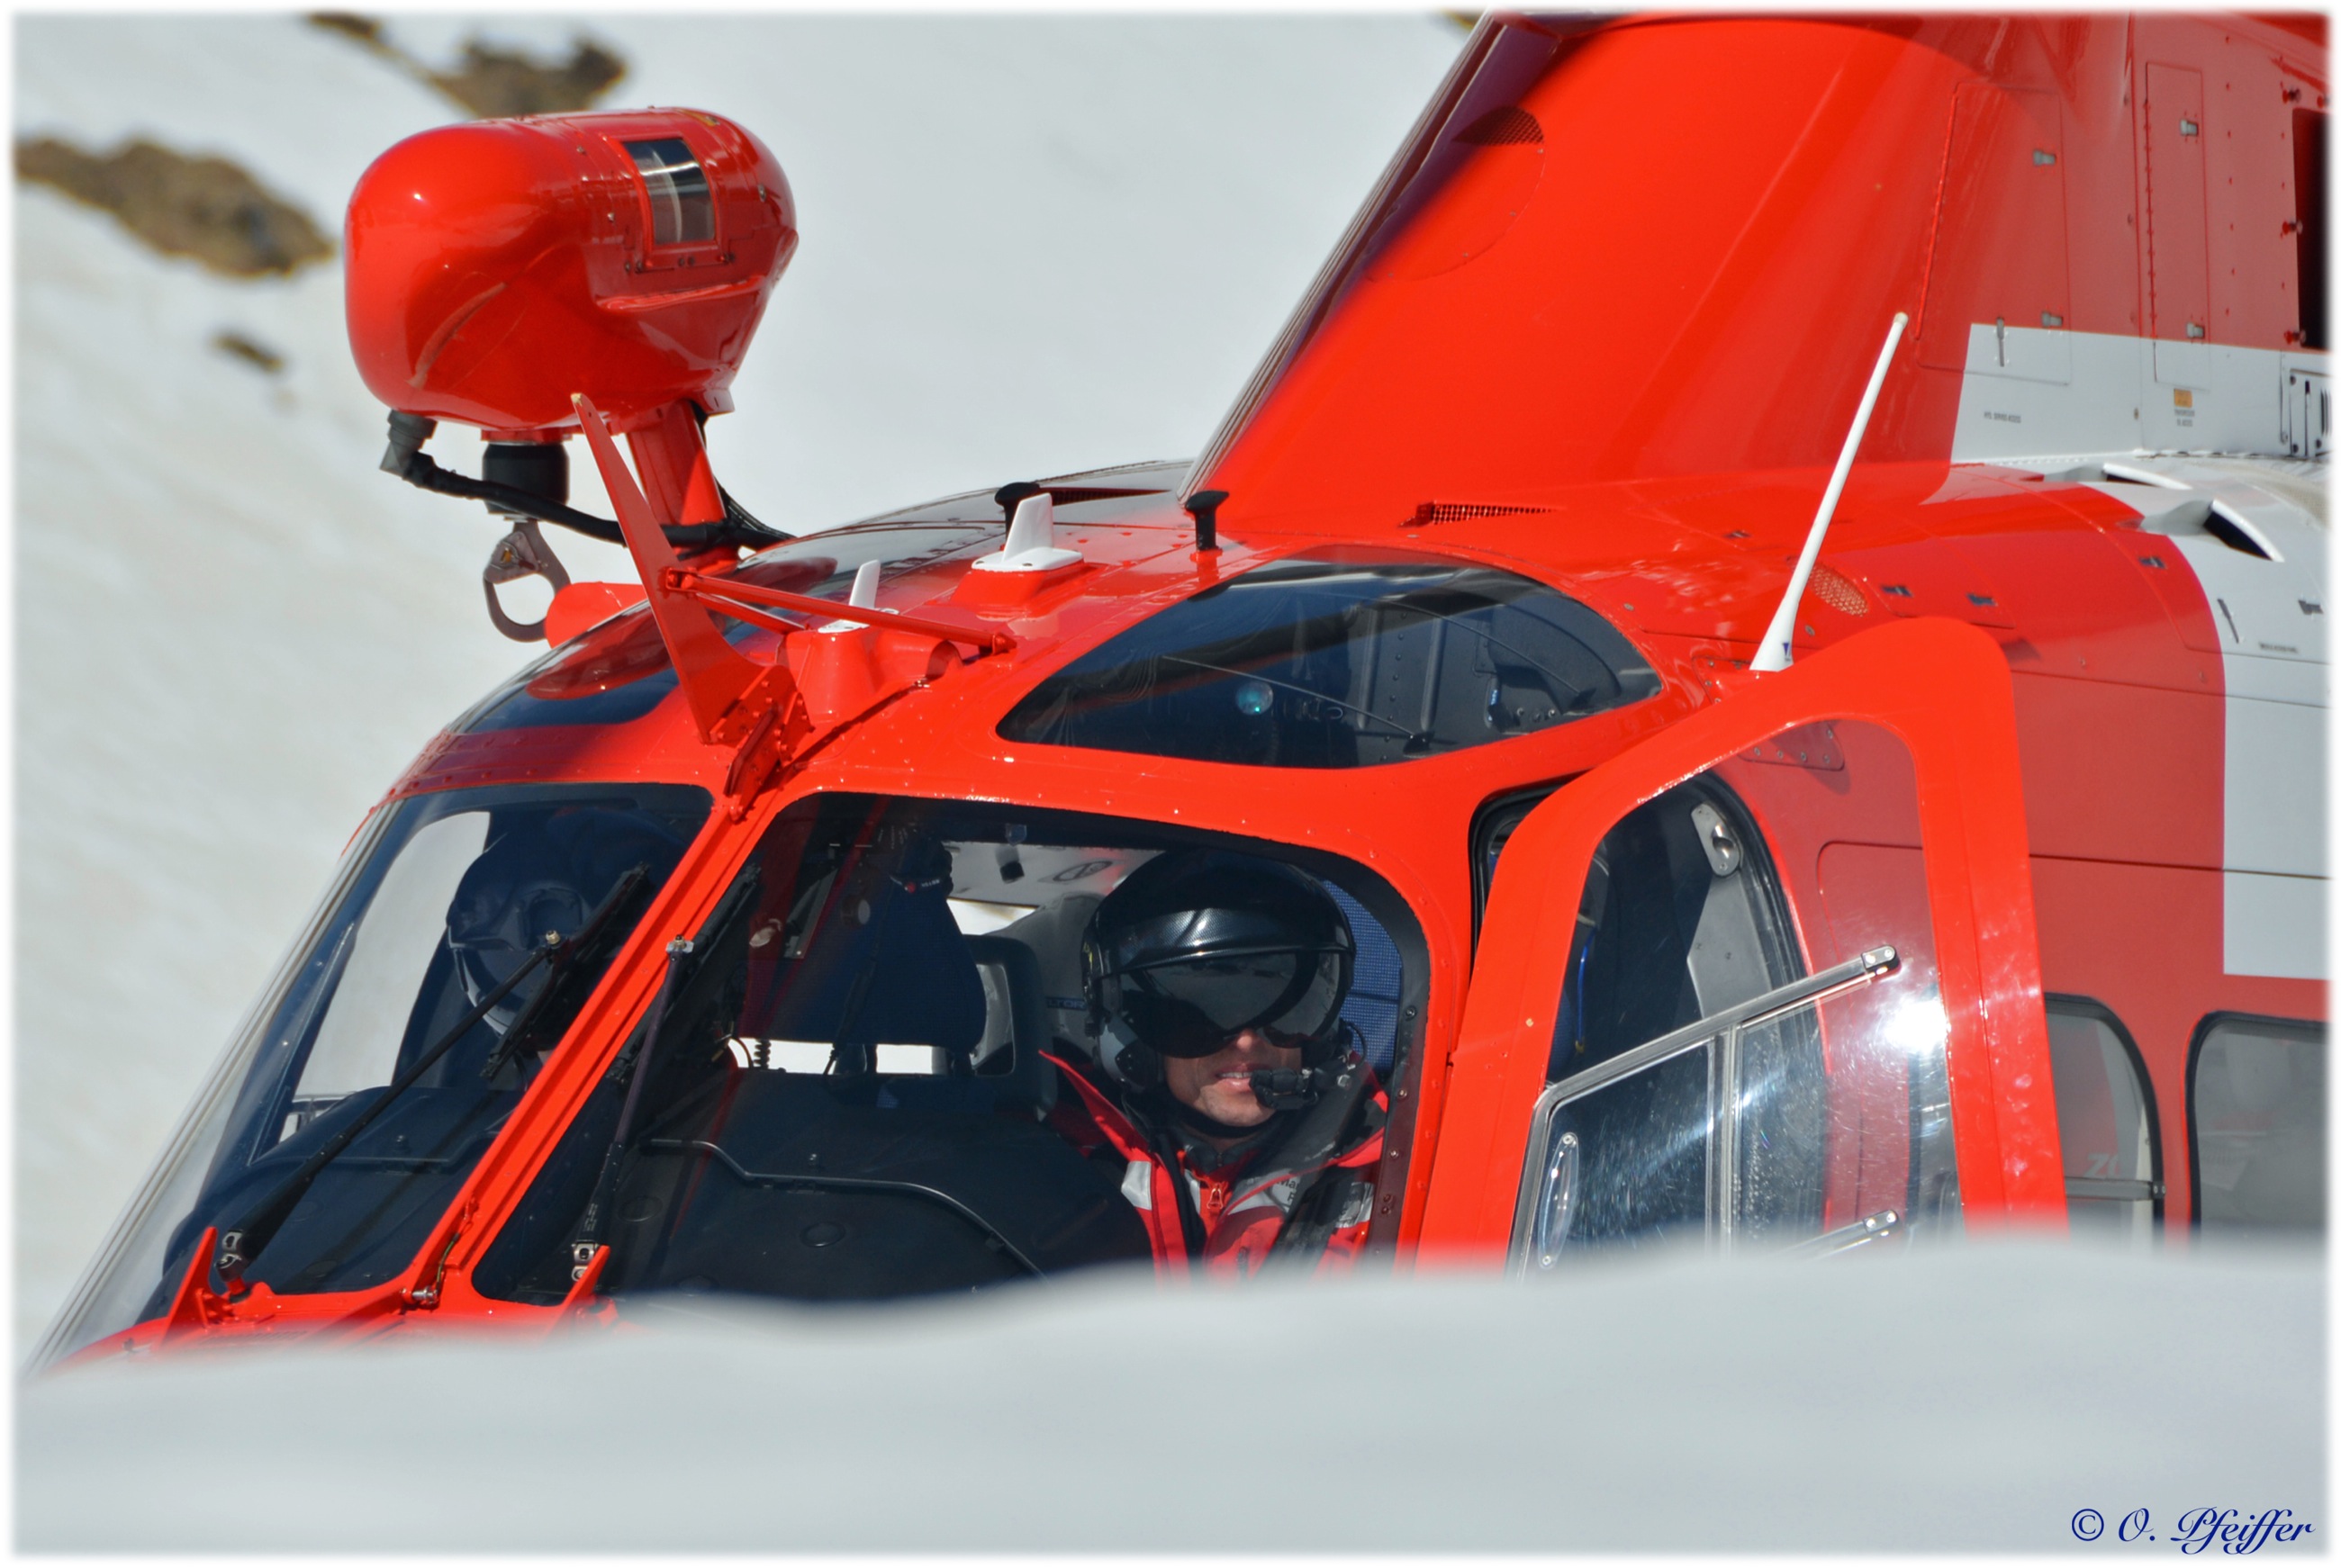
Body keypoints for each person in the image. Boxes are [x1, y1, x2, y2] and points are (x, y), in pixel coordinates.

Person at [1044, 849, 1387, 1275]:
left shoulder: (1396, 1170)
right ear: (1132, 1035)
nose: (1246, 1042)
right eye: (1202, 1016)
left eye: (1284, 1011)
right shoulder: (1057, 1171)